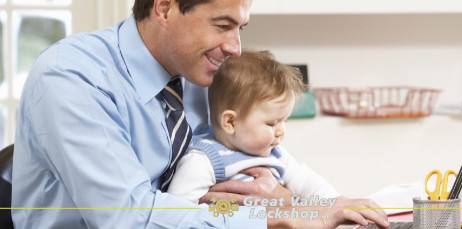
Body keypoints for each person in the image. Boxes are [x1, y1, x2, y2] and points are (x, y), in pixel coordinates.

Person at [12, 0, 389, 228]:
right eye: (223, 25)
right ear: (165, 7)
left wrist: (290, 201)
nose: (236, 48)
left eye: (240, 27)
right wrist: (278, 216)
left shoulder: (202, 75)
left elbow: (254, 171)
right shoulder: (71, 78)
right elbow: (127, 219)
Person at [168, 50, 341, 204]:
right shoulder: (203, 160)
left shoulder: (277, 154)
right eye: (271, 123)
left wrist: (337, 205)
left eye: (284, 121)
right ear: (230, 122)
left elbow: (307, 183)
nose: (281, 131)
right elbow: (177, 211)